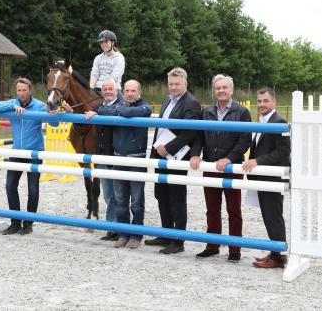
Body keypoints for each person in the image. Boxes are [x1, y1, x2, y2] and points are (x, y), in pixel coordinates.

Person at [190, 74, 252, 262]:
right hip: (209, 165)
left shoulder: (241, 112)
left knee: (233, 209)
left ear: (231, 90)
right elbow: (199, 136)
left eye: (225, 88)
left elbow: (245, 140)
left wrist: (229, 158)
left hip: (231, 167)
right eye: (218, 88)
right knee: (212, 209)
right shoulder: (207, 111)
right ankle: (212, 245)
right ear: (214, 91)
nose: (221, 91)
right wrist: (195, 153)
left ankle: (235, 249)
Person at [145, 68, 201, 254]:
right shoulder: (167, 99)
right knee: (161, 194)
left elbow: (190, 132)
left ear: (185, 83)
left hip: (176, 157)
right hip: (159, 155)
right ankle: (166, 233)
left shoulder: (191, 103)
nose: (174, 87)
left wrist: (168, 148)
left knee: (177, 198)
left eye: (177, 84)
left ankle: (178, 241)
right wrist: (158, 151)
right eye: (171, 84)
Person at [92, 80, 152, 249]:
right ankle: (123, 233)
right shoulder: (118, 107)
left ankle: (136, 235)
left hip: (136, 159)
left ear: (139, 92)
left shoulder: (145, 108)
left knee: (137, 201)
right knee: (120, 200)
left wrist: (118, 110)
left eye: (133, 90)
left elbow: (128, 111)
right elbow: (100, 109)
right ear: (123, 92)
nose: (130, 93)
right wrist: (118, 110)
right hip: (118, 159)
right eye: (127, 90)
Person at [0, 78, 46, 235]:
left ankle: (28, 224)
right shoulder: (13, 102)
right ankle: (15, 222)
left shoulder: (40, 105)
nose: (21, 93)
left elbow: (53, 123)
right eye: (19, 90)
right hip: (16, 152)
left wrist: (59, 110)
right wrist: (12, 106)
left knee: (33, 190)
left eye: (24, 90)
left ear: (30, 90)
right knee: (10, 186)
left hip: (34, 152)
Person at [242, 87, 290, 269]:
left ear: (274, 102)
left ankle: (278, 257)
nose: (261, 104)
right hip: (262, 178)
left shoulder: (280, 121)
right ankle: (275, 252)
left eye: (265, 101)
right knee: (268, 216)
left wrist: (258, 161)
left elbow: (284, 151)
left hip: (273, 179)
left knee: (274, 216)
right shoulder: (261, 121)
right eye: (259, 101)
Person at [84, 78, 120, 241]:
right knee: (108, 195)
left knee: (120, 194)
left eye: (110, 88)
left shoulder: (123, 105)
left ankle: (121, 227)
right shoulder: (97, 106)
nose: (107, 91)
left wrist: (98, 114)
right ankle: (111, 227)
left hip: (117, 156)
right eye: (104, 89)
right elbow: (84, 113)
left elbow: (117, 112)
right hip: (102, 156)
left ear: (116, 89)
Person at [90, 29, 125, 101]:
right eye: (102, 42)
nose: (103, 44)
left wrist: (105, 90)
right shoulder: (98, 58)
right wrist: (90, 89)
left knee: (123, 107)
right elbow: (94, 75)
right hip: (97, 89)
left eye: (106, 41)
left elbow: (114, 77)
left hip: (113, 89)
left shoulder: (119, 58)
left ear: (112, 42)